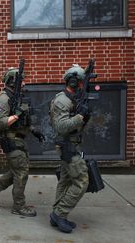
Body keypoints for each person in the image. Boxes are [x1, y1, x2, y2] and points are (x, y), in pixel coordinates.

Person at [0, 67, 45, 217]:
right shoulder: (4, 98)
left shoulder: (17, 97)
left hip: (20, 139)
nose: (24, 83)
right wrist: (16, 115)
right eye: (21, 80)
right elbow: (0, 123)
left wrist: (33, 130)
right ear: (13, 82)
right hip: (11, 140)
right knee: (21, 173)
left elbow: (23, 119)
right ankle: (19, 206)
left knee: (16, 171)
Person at [48, 64, 91, 233]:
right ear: (73, 82)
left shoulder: (73, 99)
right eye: (80, 83)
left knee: (65, 181)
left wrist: (84, 115)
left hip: (71, 144)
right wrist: (81, 116)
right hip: (67, 146)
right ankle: (60, 213)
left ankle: (57, 215)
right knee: (81, 181)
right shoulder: (62, 100)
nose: (82, 86)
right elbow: (60, 127)